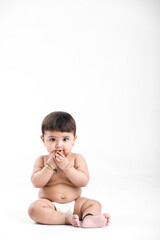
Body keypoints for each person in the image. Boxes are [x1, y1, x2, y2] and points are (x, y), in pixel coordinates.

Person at [28, 111, 110, 228]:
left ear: (74, 139)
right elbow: (36, 183)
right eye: (52, 139)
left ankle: (89, 218)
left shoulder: (77, 158)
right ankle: (65, 219)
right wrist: (49, 166)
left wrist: (67, 167)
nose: (59, 145)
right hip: (50, 205)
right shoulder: (42, 160)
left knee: (94, 204)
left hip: (76, 204)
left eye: (65, 139)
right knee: (34, 209)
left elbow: (83, 181)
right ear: (43, 139)